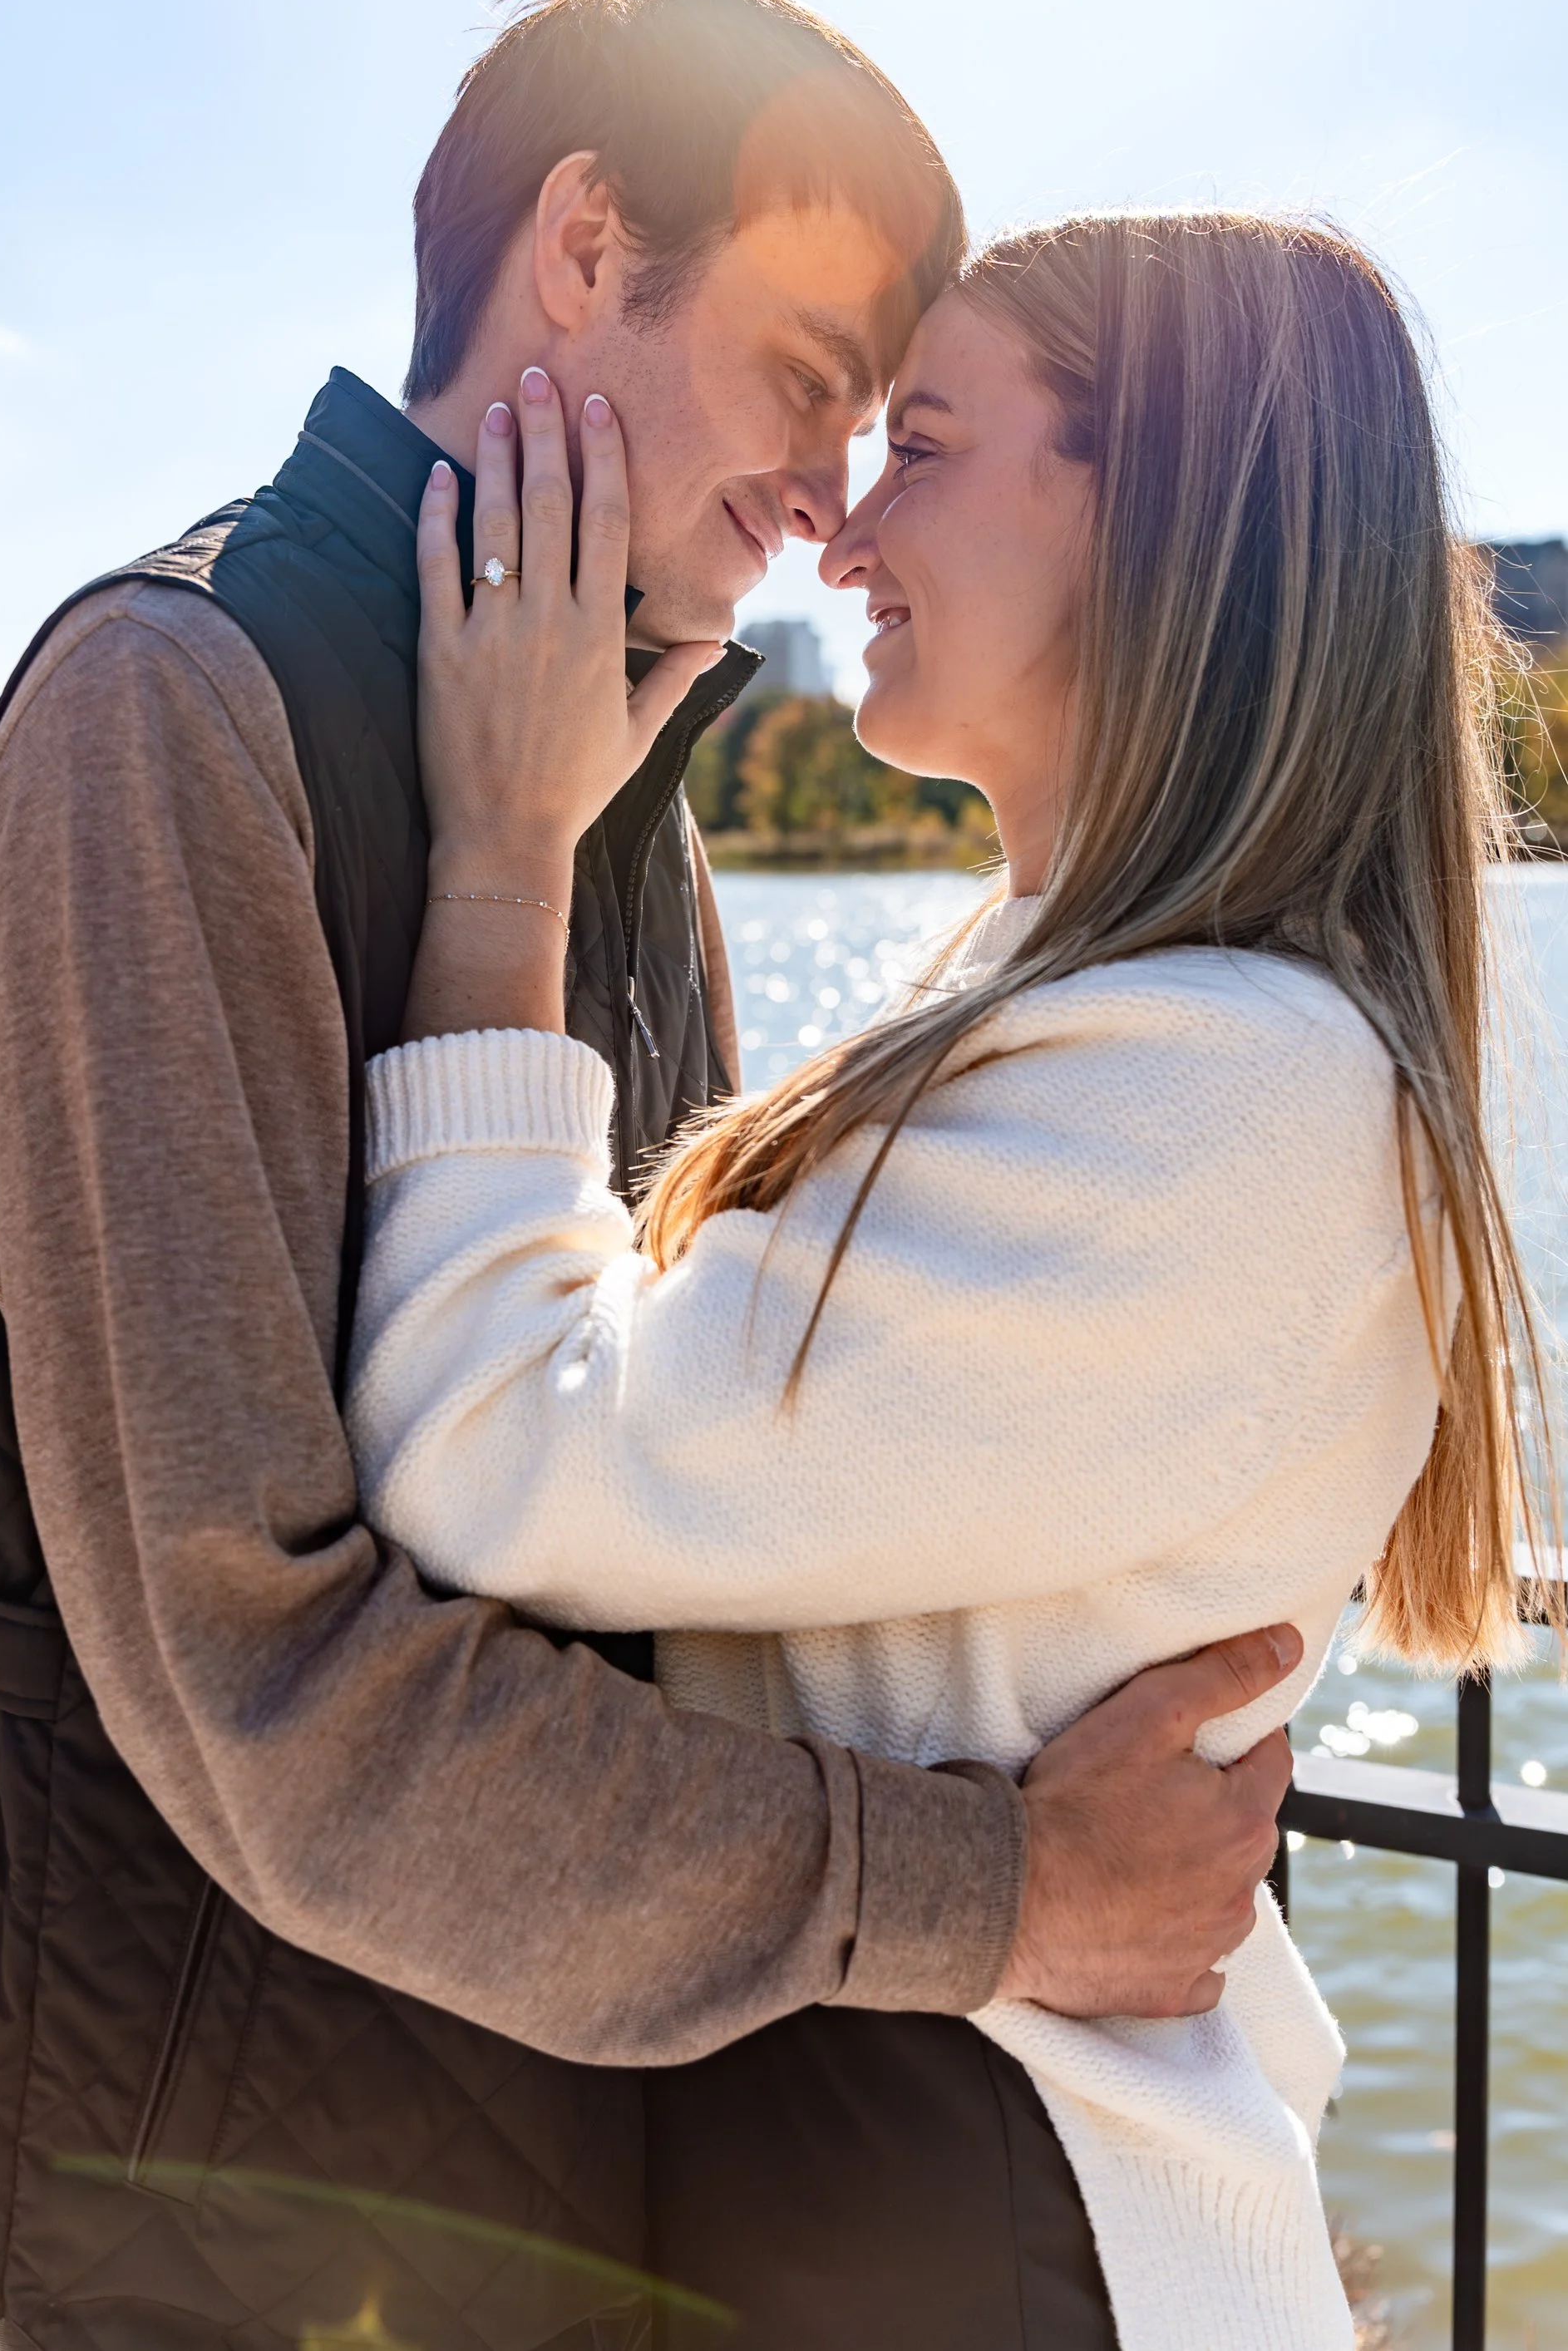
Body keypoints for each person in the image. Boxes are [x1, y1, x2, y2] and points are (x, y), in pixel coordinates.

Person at [0, 0, 1297, 2351]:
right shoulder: (169, 715)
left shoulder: (613, 788)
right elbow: (273, 1686)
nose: (839, 492)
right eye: (811, 377)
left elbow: (632, 1489)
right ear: (586, 238)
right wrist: (1004, 1887)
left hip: (522, 2177)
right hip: (158, 2209)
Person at [347, 208, 1560, 2351]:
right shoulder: (1084, 1000)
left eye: (922, 443)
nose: (844, 527)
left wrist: (504, 863)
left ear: (1158, 520)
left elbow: (483, 1450)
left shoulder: (1224, 1092)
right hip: (905, 2165)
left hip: (980, 2208)